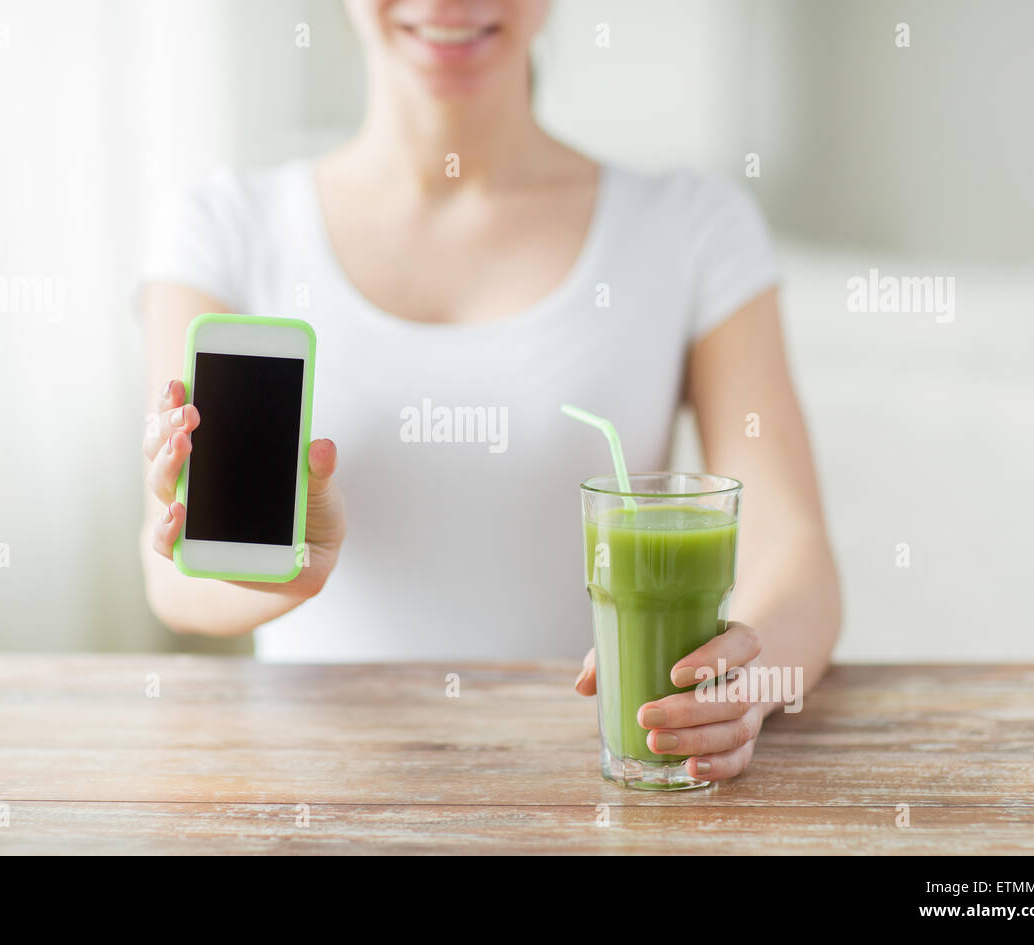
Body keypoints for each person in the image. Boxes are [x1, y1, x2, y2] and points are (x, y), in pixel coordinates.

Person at [138, 0, 841, 783]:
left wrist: (747, 684)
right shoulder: (222, 226)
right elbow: (168, 568)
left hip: (594, 789)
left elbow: (793, 550)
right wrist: (286, 567)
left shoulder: (695, 226)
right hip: (318, 796)